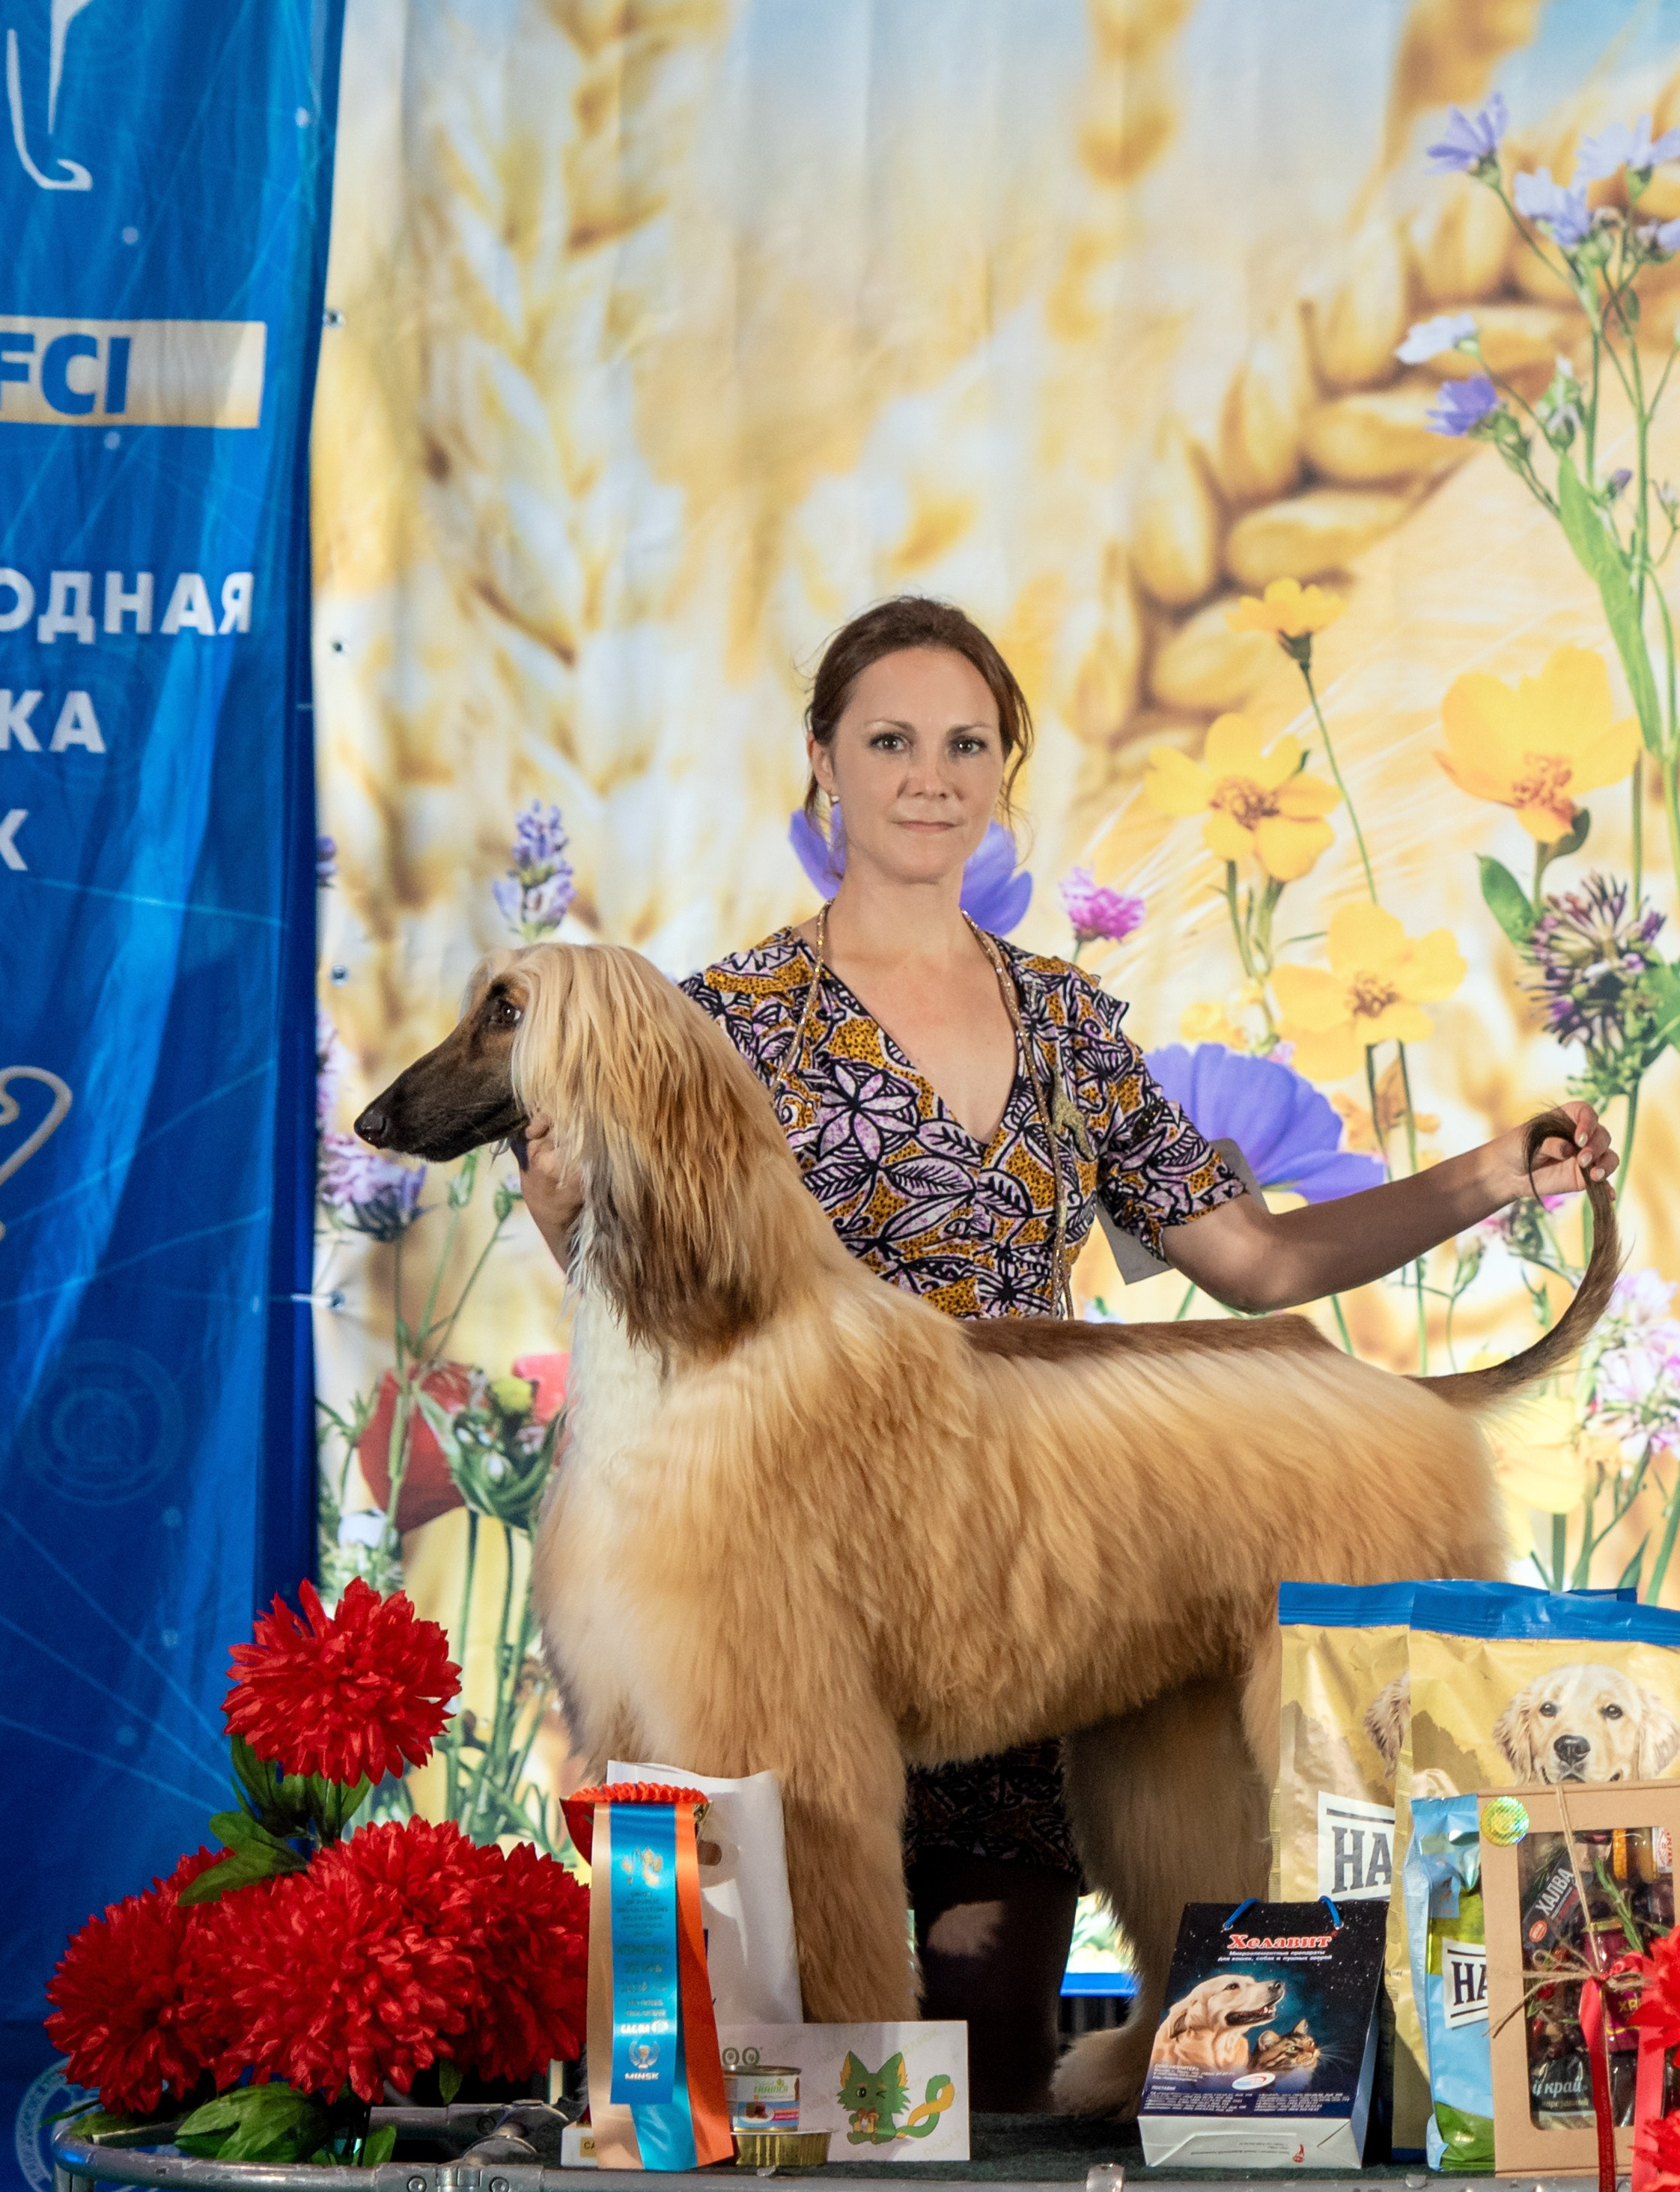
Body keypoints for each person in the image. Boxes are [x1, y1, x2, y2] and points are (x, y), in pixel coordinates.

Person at [519, 594, 1615, 2113]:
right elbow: (643, 1280)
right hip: (792, 1573)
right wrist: (560, 1198)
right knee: (798, 2058)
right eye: (890, 739)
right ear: (823, 762)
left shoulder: (1071, 1024)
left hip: (1019, 1578)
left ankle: (1291, 2115)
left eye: (967, 742)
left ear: (1002, 774)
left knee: (983, 2050)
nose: (929, 775)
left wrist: (1489, 1176)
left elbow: (1259, 1260)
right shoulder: (725, 1024)